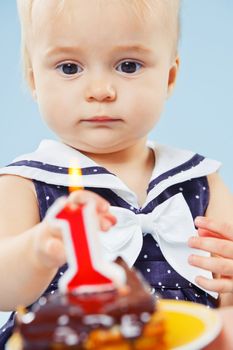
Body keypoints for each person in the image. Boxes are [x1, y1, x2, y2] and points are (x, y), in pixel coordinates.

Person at [0, 0, 233, 347]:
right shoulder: (26, 182)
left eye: (128, 65)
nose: (100, 91)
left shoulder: (198, 178)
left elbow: (224, 290)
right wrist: (37, 252)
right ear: (35, 80)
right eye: (68, 68)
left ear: (168, 77)